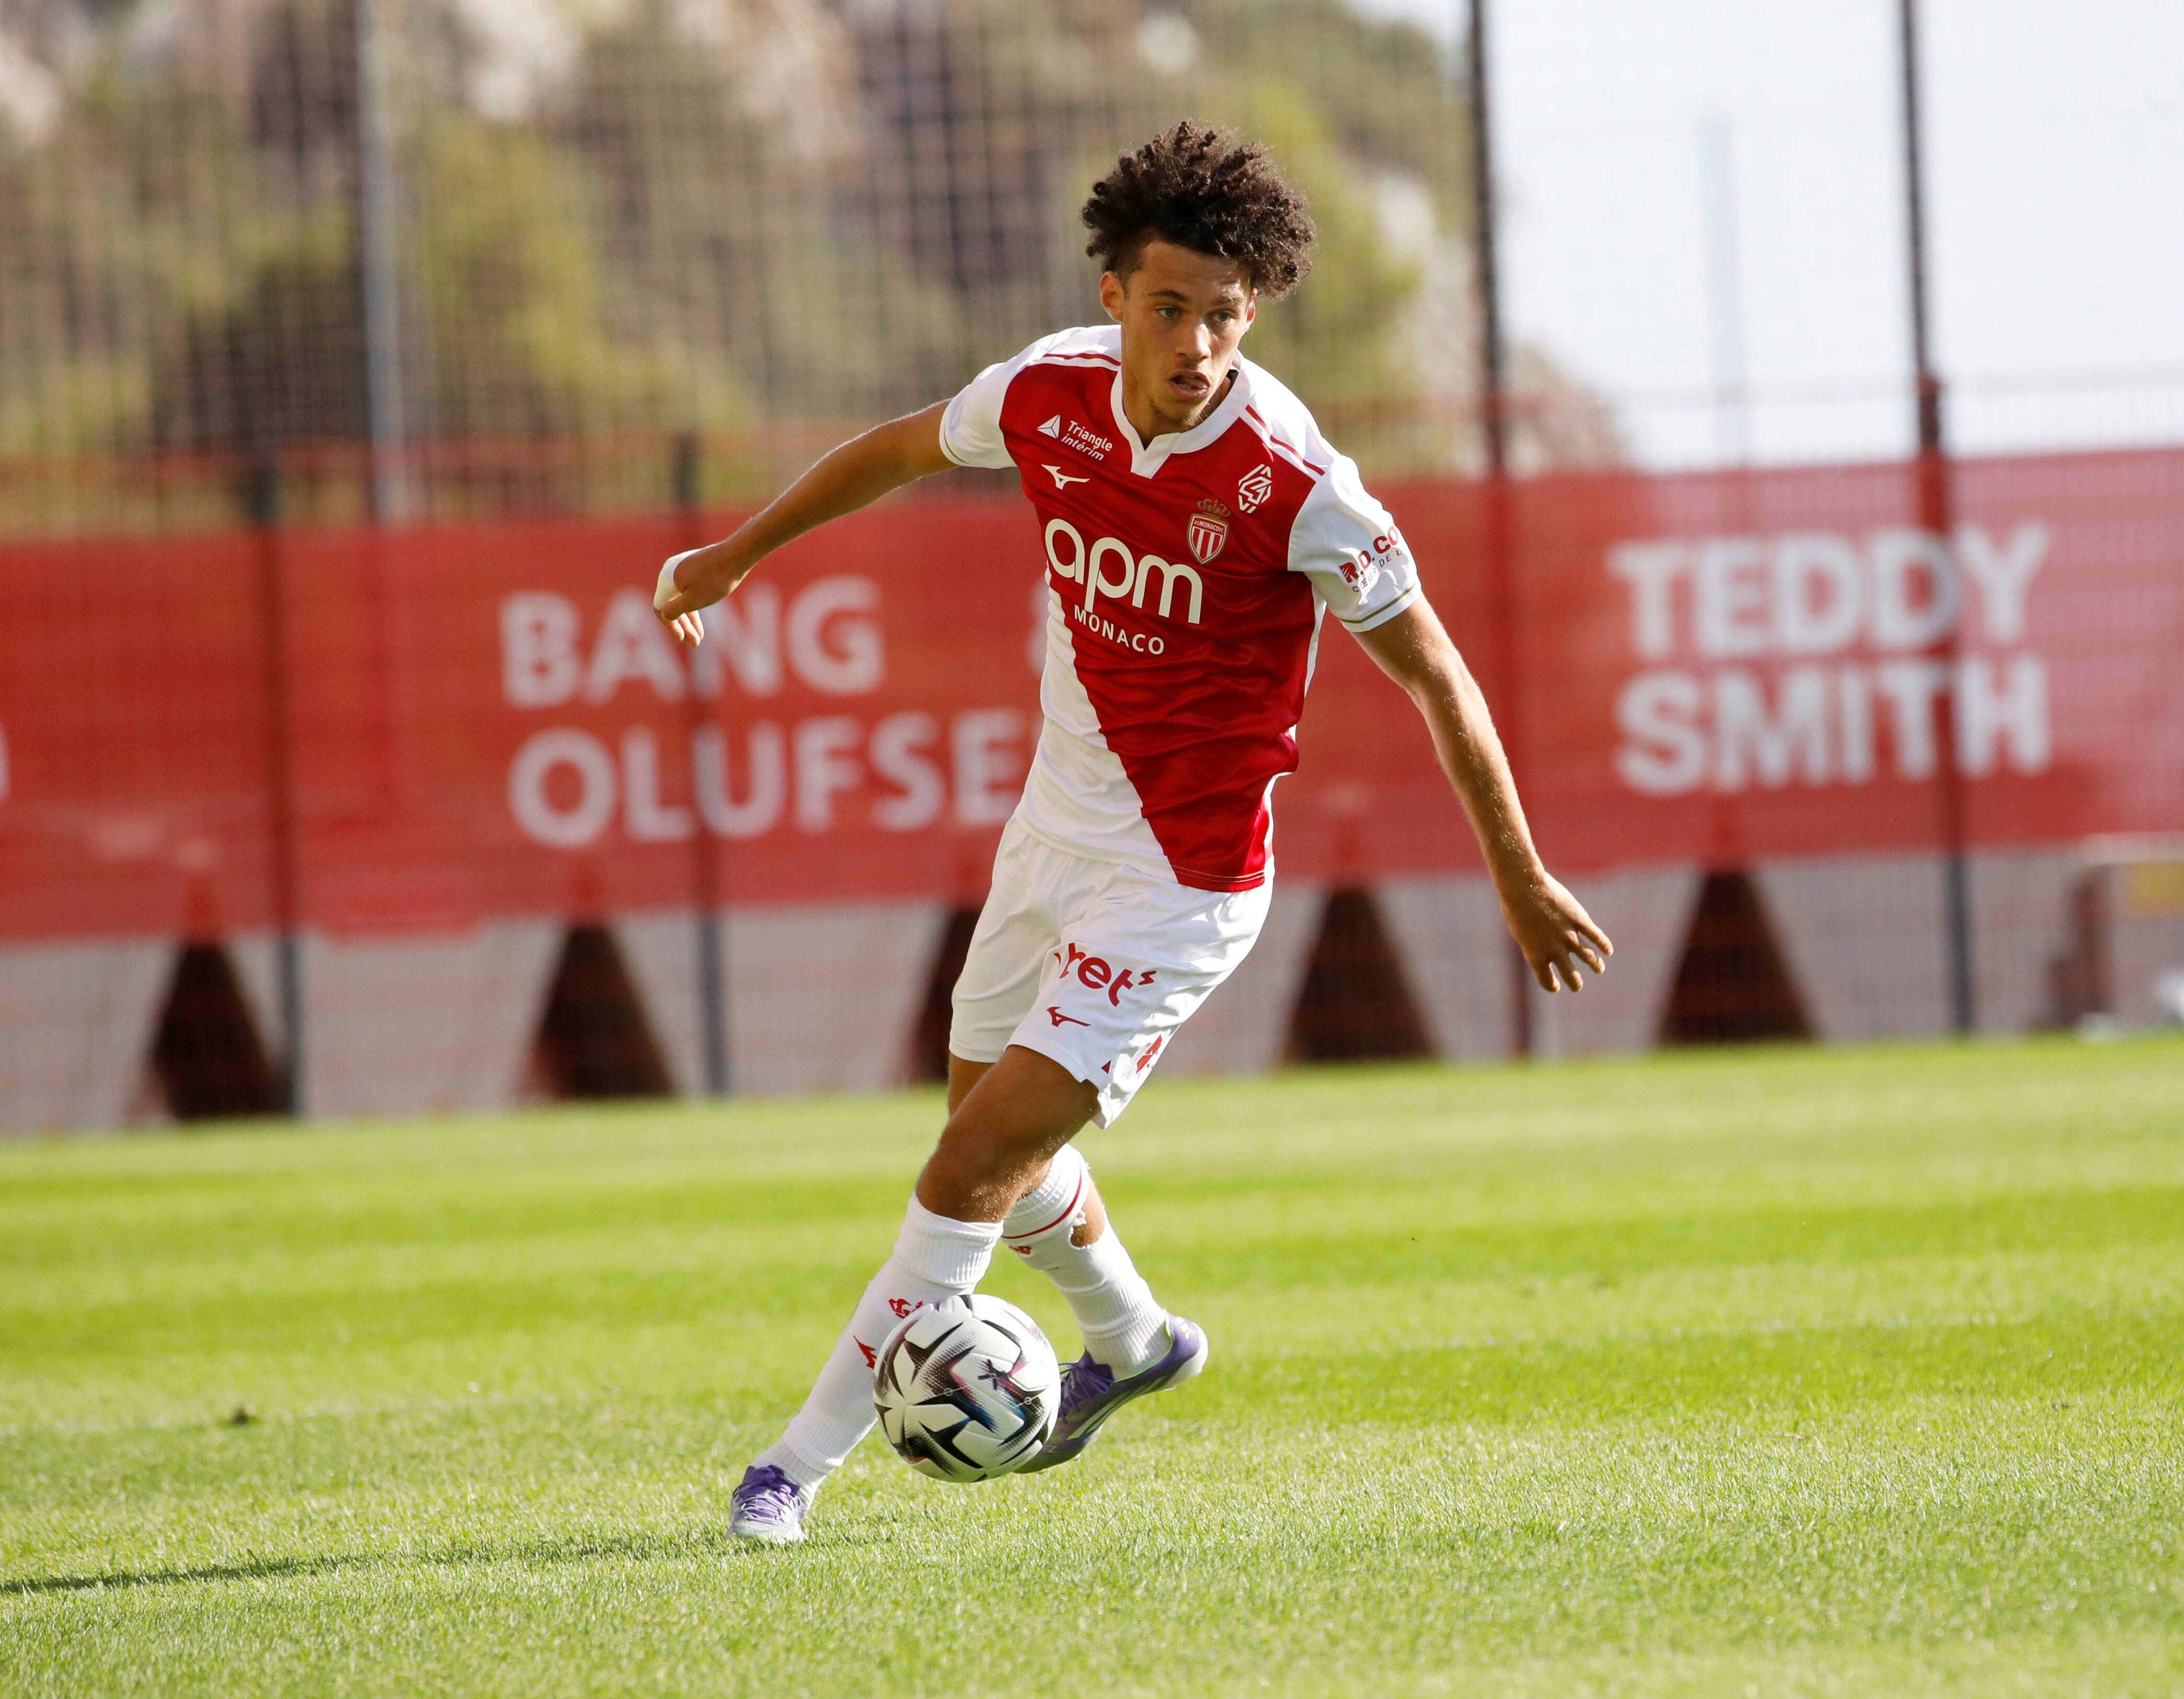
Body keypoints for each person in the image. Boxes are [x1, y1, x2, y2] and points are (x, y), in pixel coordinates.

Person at [652, 121, 1612, 1544]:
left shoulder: (1297, 485)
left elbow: (1437, 675)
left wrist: (1520, 878)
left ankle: (789, 1469)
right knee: (988, 1134)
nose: (1199, 342)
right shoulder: (1044, 392)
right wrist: (734, 551)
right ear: (1115, 296)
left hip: (1179, 881)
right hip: (1054, 834)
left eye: (1226, 314)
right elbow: (901, 449)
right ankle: (1139, 1336)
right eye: (1171, 307)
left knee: (966, 1170)